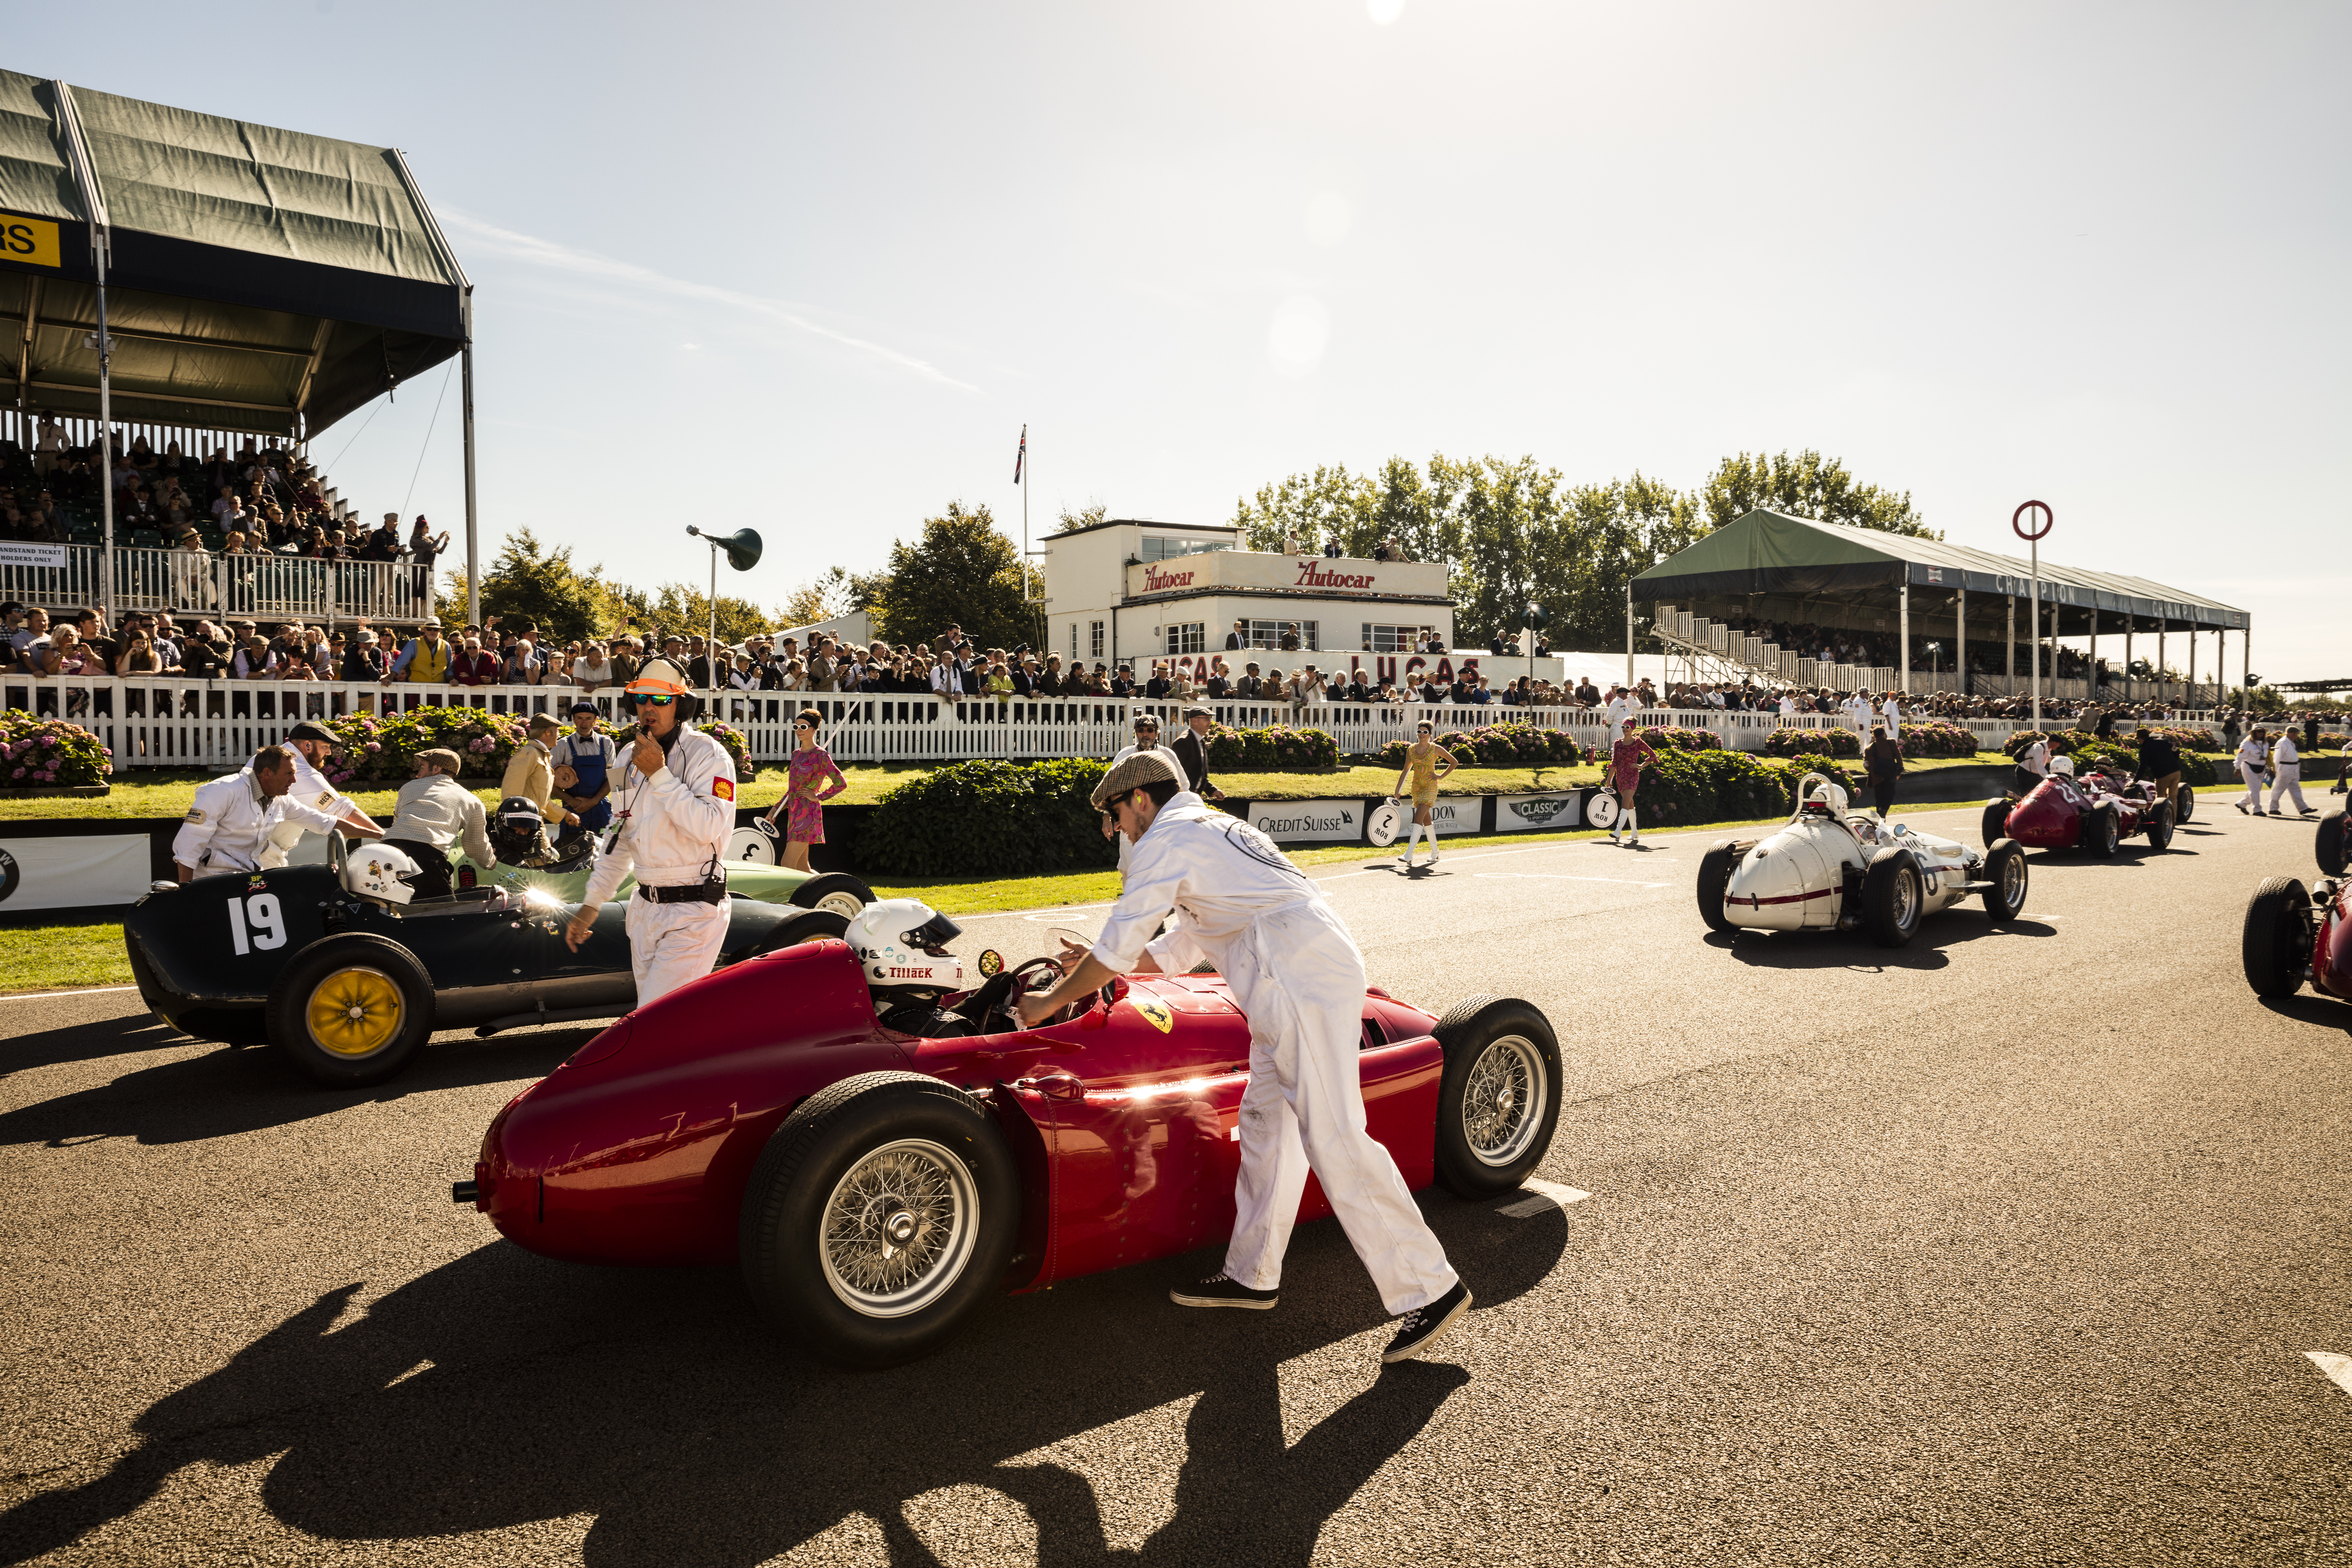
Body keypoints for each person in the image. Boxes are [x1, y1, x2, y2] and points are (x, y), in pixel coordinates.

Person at [1011, 750, 1471, 1364]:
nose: (1116, 829)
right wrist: (1094, 964)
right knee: (1266, 1124)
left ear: (1140, 799)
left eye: (1115, 815)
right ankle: (1253, 1274)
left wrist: (1049, 1000)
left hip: (1294, 973)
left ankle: (1431, 1287)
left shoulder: (1166, 838)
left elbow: (1122, 946)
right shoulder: (1212, 829)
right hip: (1294, 966)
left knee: (1334, 1137)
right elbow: (1178, 947)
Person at [563, 657, 738, 1005]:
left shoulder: (711, 755)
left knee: (659, 1017)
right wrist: (592, 903)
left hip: (694, 910)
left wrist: (659, 774)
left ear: (682, 705)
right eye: (641, 698)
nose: (648, 707)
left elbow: (707, 827)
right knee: (659, 1019)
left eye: (661, 699)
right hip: (644, 911)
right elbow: (618, 833)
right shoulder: (625, 758)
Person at [173, 745, 370, 880]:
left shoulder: (282, 799)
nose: (294, 780)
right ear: (267, 773)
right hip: (211, 881)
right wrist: (186, 893)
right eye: (289, 774)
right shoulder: (221, 791)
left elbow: (324, 822)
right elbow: (188, 846)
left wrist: (379, 835)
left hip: (248, 878)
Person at [262, 718, 385, 866]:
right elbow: (343, 811)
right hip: (263, 852)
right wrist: (386, 838)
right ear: (307, 745)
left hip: (251, 846)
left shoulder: (265, 758)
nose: (329, 752)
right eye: (325, 746)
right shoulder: (303, 774)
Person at [382, 748, 498, 898]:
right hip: (425, 856)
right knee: (444, 910)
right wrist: (490, 862)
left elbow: (397, 821)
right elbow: (474, 846)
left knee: (389, 904)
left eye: (422, 767)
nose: (418, 774)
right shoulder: (472, 801)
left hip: (387, 849)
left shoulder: (408, 787)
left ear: (437, 769)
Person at [763, 705, 848, 872]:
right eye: (796, 727)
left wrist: (818, 797)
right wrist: (774, 810)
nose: (799, 730)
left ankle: (820, 887)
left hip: (808, 815)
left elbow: (841, 783)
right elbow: (792, 791)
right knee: (803, 869)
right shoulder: (796, 754)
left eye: (803, 726)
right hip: (793, 814)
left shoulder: (821, 755)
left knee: (787, 864)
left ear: (814, 729)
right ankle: (823, 887)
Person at [1390, 718, 1456, 871]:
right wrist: (1398, 789)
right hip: (1417, 787)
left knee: (1418, 818)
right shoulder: (1411, 750)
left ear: (1430, 734)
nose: (1422, 734)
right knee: (1426, 820)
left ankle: (1409, 854)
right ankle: (1435, 852)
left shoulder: (1436, 749)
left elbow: (1454, 762)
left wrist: (1441, 776)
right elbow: (1406, 770)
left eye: (1425, 732)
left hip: (1430, 787)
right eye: (1420, 731)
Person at [500, 713, 579, 834]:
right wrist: (517, 824)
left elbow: (540, 801)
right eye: (557, 730)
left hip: (533, 824)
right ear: (548, 733)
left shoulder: (540, 755)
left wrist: (565, 814)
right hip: (524, 828)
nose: (558, 734)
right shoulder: (529, 754)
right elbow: (511, 793)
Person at [553, 701, 618, 838]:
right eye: (580, 718)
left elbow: (613, 778)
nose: (584, 723)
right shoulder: (563, 745)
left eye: (589, 718)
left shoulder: (607, 744)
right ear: (573, 719)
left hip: (601, 807)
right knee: (571, 846)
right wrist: (573, 802)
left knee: (604, 846)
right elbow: (548, 782)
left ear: (596, 720)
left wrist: (594, 801)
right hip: (574, 809)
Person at [1606, 716, 1657, 847]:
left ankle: (1618, 831)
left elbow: (1653, 755)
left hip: (1632, 776)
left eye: (1628, 727)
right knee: (1629, 804)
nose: (1625, 729)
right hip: (1620, 777)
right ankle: (1634, 831)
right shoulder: (1618, 743)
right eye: (1623, 727)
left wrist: (1641, 766)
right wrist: (1609, 780)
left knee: (1625, 802)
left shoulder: (1638, 743)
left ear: (1632, 729)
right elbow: (1614, 763)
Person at [1168, 704, 1224, 801]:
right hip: (1181, 798)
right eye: (1206, 719)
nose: (1210, 722)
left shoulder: (1200, 740)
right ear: (1194, 721)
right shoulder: (1183, 742)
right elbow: (1175, 773)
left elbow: (1198, 773)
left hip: (1192, 797)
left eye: (1210, 719)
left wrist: (1212, 790)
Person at [2135, 724, 2183, 810]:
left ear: (2140, 738)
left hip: (2163, 775)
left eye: (2138, 740)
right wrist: (2174, 762)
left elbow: (2142, 767)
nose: (2139, 742)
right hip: (2176, 771)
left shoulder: (2144, 750)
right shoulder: (2163, 742)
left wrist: (2135, 781)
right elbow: (2177, 751)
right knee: (2173, 797)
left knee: (2160, 798)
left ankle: (2160, 817)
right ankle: (2173, 817)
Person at [2268, 726, 2313, 817]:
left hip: (2293, 768)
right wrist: (2274, 769)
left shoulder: (2290, 742)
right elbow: (2277, 757)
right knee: (2278, 789)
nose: (2297, 736)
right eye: (2297, 734)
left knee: (2296, 789)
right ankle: (2273, 808)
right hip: (2285, 769)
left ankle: (2303, 808)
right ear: (2293, 734)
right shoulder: (2283, 742)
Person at [1863, 724, 1904, 820]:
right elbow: (1899, 757)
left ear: (1874, 736)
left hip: (1876, 776)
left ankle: (1880, 821)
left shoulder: (1869, 748)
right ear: (1884, 734)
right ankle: (1884, 809)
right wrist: (1899, 771)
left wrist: (1872, 771)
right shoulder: (1891, 742)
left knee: (1879, 799)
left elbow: (1867, 765)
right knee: (1890, 794)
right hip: (1890, 774)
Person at [2234, 729, 2269, 814]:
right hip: (2249, 767)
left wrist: (2270, 768)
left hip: (2261, 768)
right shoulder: (2247, 743)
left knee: (2257, 789)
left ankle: (2242, 804)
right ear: (2254, 733)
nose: (2261, 733)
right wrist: (2237, 767)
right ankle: (2257, 810)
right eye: (2259, 731)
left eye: (2263, 731)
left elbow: (2266, 757)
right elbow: (2240, 756)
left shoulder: (2265, 744)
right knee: (2255, 789)